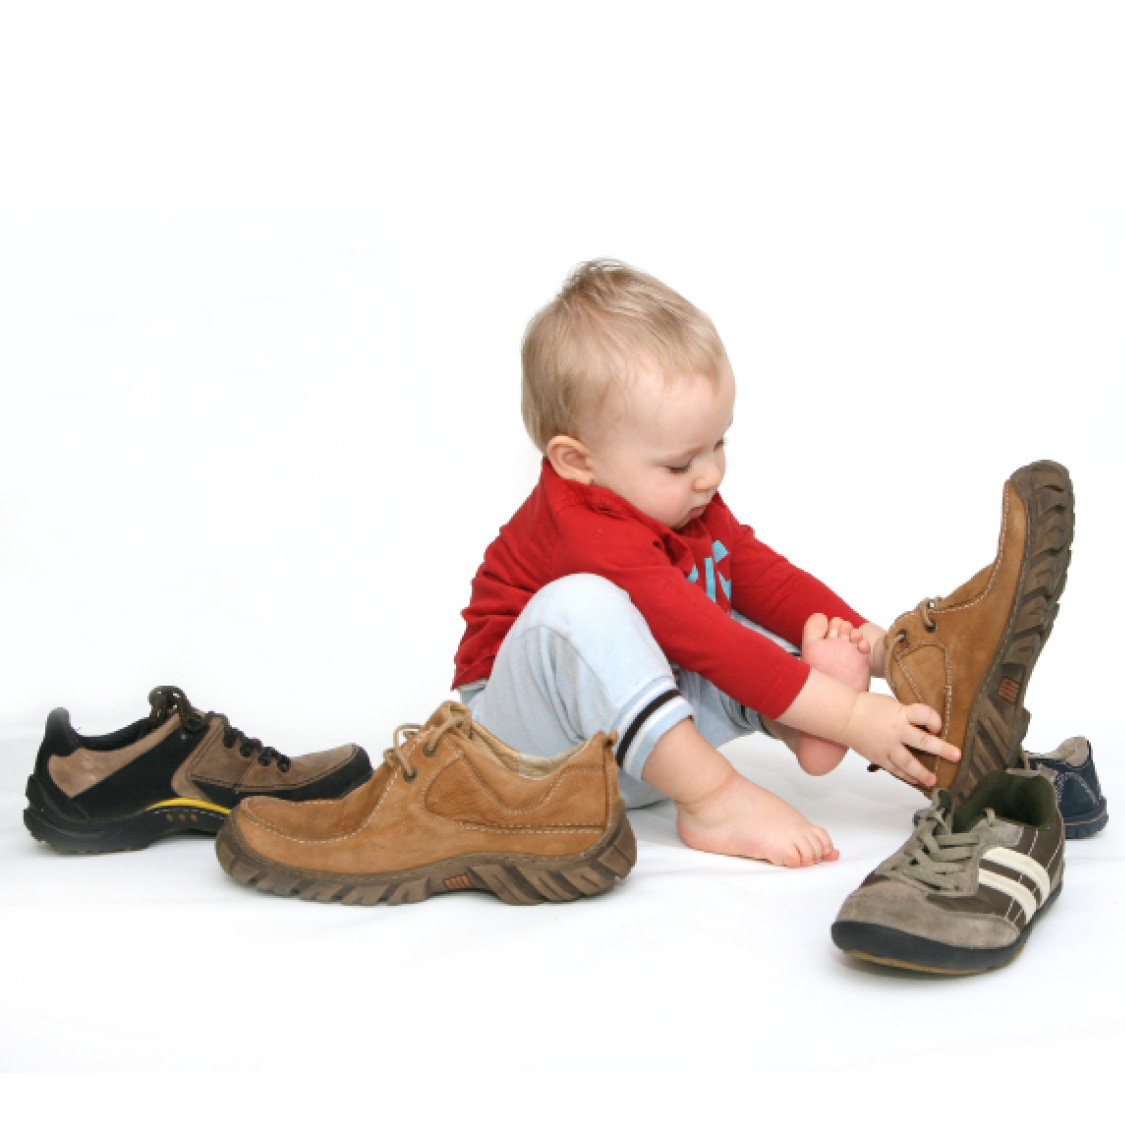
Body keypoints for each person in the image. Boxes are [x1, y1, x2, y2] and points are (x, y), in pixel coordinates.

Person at [452, 260, 960, 867]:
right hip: (527, 760)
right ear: (576, 461)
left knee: (734, 611)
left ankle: (802, 724)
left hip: (643, 752)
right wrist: (853, 715)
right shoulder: (584, 530)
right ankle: (715, 799)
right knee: (588, 609)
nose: (711, 474)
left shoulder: (679, 499)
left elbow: (757, 573)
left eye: (719, 444)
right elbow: (711, 643)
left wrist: (881, 647)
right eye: (680, 463)